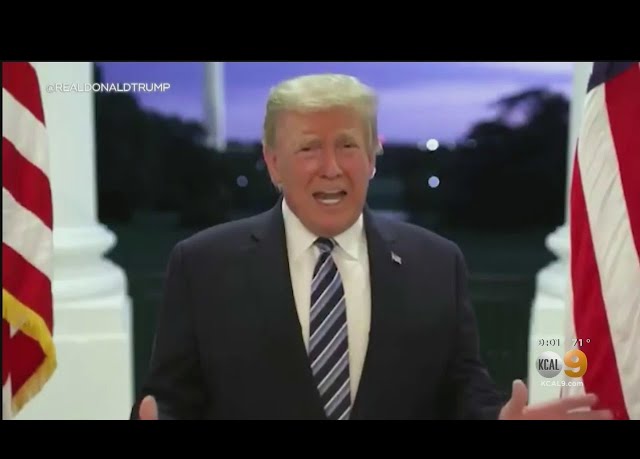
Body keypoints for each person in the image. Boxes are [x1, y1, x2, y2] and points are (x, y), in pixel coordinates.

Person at [131, 73, 613, 420]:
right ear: (273, 163)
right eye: (308, 148)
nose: (331, 167)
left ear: (372, 158)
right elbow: (169, 401)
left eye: (347, 145)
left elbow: (465, 392)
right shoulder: (203, 264)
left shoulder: (437, 263)